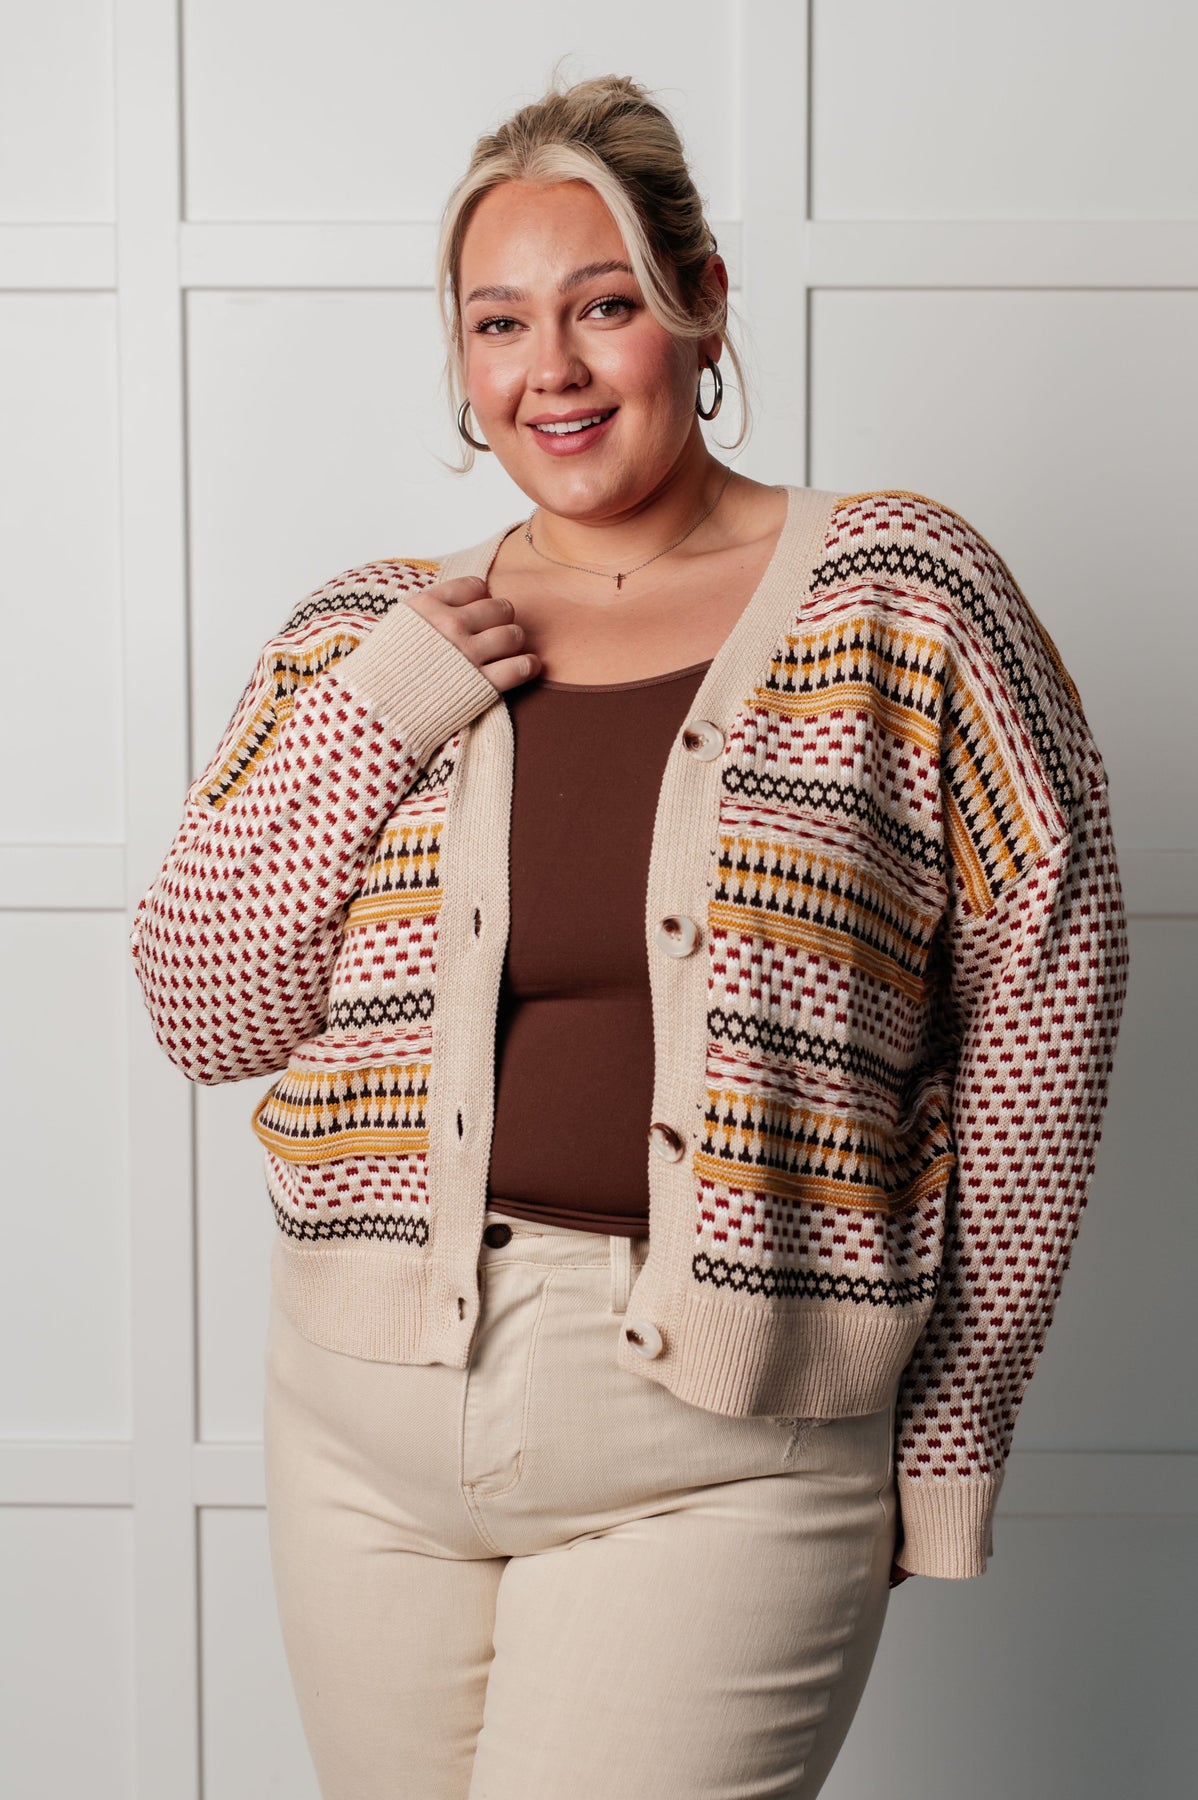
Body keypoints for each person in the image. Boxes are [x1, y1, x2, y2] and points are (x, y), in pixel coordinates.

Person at [129, 73, 1129, 1800]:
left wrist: (953, 1426)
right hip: (364, 1429)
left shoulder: (903, 598)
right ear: (460, 358)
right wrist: (375, 714)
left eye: (602, 306)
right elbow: (201, 1007)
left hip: (723, 1441)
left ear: (702, 304)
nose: (553, 370)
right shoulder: (367, 633)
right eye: (498, 323)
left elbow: (1043, 1023)